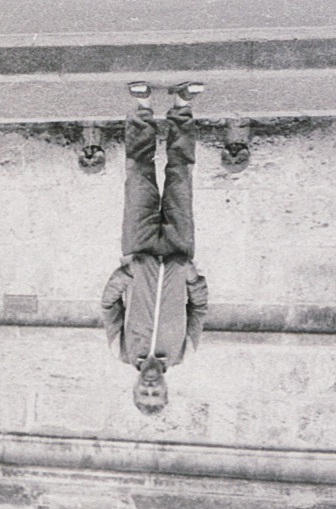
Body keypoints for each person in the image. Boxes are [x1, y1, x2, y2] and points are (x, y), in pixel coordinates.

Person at [101, 81, 210, 414]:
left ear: (134, 389)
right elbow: (200, 309)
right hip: (179, 251)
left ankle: (142, 108)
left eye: (144, 395)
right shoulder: (183, 352)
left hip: (139, 249)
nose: (150, 389)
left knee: (139, 175)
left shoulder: (121, 350)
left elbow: (108, 306)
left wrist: (127, 272)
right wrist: (190, 276)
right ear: (166, 390)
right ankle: (181, 106)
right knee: (181, 175)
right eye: (156, 395)